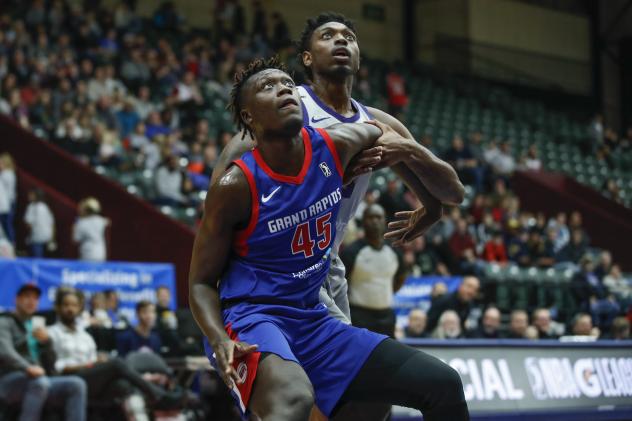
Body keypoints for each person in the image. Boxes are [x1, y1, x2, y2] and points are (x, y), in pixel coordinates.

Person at [189, 58, 469, 421]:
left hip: (312, 317)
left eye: (286, 83)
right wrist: (218, 339)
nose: (283, 88)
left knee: (439, 384)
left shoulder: (337, 146)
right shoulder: (235, 185)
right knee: (293, 398)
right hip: (250, 318)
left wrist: (429, 200)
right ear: (248, 118)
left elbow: (394, 141)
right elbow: (199, 282)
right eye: (268, 87)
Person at [210, 12, 464, 328]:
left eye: (349, 37)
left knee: (334, 370)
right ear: (306, 58)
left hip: (326, 261)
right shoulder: (288, 106)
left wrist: (426, 193)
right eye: (328, 36)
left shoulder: (378, 123)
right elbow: (219, 187)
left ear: (358, 60)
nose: (341, 39)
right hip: (277, 259)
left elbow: (452, 194)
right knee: (344, 361)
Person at [47, 288, 182, 418]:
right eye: (66, 305)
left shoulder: (84, 335)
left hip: (92, 378)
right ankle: (158, 395)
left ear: (80, 308)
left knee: (122, 385)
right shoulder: (51, 332)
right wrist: (89, 364)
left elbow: (93, 358)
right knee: (116, 363)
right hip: (70, 378)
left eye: (74, 305)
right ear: (58, 307)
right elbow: (58, 367)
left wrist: (99, 360)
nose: (70, 309)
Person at [0, 283, 87, 421]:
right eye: (27, 297)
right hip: (9, 380)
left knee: (77, 384)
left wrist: (47, 343)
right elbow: (4, 351)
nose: (31, 301)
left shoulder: (36, 325)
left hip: (39, 379)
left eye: (35, 298)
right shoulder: (5, 321)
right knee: (40, 383)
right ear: (17, 299)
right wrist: (27, 367)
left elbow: (51, 365)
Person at [342, 204, 408, 337]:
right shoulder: (352, 251)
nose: (375, 221)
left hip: (387, 316)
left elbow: (401, 277)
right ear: (364, 221)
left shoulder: (395, 251)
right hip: (359, 316)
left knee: (387, 357)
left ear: (385, 221)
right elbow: (340, 284)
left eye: (379, 217)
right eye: (370, 217)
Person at [72, 197, 109, 262]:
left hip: (87, 254)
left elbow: (75, 239)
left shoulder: (81, 222)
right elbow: (107, 222)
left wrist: (74, 227)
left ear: (86, 210)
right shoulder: (101, 220)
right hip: (100, 252)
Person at [23, 188, 55, 258]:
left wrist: (30, 236)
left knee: (37, 261)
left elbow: (28, 224)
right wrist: (52, 238)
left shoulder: (31, 207)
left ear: (36, 195)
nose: (29, 196)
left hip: (36, 238)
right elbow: (52, 223)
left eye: (31, 194)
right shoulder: (45, 207)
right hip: (47, 237)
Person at [0, 153, 17, 244]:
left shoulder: (6, 174)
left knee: (7, 224)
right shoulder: (9, 174)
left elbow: (5, 191)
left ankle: (11, 243)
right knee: (6, 224)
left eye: (1, 163)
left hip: (7, 202)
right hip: (8, 202)